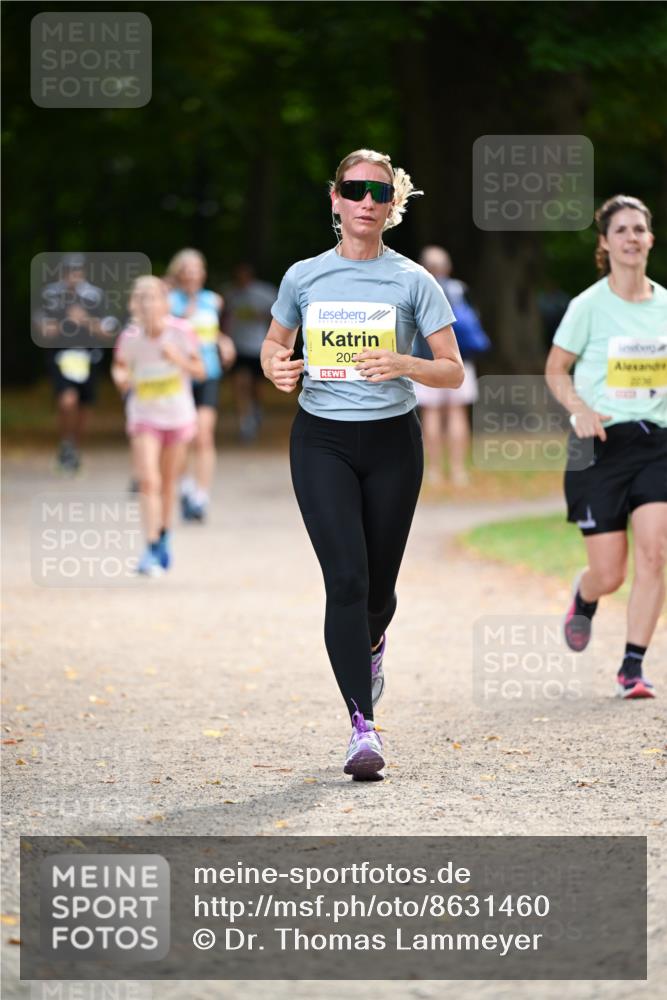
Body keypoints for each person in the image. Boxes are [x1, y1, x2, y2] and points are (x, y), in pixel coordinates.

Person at [261, 149, 463, 779]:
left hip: (391, 444)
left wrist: (404, 363)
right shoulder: (303, 277)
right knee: (345, 581)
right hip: (321, 439)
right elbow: (275, 345)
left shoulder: (412, 281)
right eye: (355, 190)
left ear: (391, 203)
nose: (367, 201)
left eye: (379, 191)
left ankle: (373, 643)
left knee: (377, 591)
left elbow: (452, 371)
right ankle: (361, 728)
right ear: (336, 199)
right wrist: (276, 368)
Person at [545, 194, 667, 699]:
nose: (632, 238)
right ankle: (585, 595)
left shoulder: (664, 305)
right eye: (622, 230)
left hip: (656, 443)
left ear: (651, 239)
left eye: (640, 229)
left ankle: (632, 667)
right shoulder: (588, 306)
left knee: (656, 552)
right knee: (609, 573)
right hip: (598, 445)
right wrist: (580, 409)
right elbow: (556, 370)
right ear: (605, 243)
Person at [112, 276, 205, 576]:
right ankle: (150, 547)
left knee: (167, 483)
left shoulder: (182, 332)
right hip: (143, 417)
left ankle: (164, 536)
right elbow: (120, 365)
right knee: (148, 481)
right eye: (141, 297)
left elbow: (201, 371)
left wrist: (177, 359)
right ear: (133, 304)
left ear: (165, 303)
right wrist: (120, 377)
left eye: (153, 297)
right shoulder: (129, 337)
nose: (147, 303)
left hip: (178, 418)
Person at [166, 249, 237, 521]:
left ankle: (201, 496)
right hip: (179, 375)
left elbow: (211, 331)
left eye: (197, 270)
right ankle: (184, 486)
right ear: (179, 273)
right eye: (187, 270)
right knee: (183, 436)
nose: (193, 275)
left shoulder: (213, 301)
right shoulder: (169, 301)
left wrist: (223, 341)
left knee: (204, 435)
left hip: (208, 372)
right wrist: (183, 314)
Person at [412, 246, 489, 487]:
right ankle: (458, 471)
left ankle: (434, 471)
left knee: (431, 415)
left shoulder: (417, 290)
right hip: (459, 361)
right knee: (457, 413)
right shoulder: (458, 289)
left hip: (426, 362)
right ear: (447, 267)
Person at [38, 253, 116, 474]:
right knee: (67, 401)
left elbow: (107, 331)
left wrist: (85, 321)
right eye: (68, 272)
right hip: (62, 355)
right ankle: (66, 442)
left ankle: (74, 449)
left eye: (77, 272)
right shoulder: (51, 296)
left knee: (84, 406)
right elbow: (43, 329)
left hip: (88, 357)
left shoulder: (96, 296)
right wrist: (62, 324)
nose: (73, 276)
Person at [223, 263, 277, 442]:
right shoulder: (230, 294)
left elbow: (279, 315)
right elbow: (224, 316)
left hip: (257, 346)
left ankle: (257, 409)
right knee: (239, 384)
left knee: (256, 386)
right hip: (237, 346)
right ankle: (245, 422)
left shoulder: (264, 292)